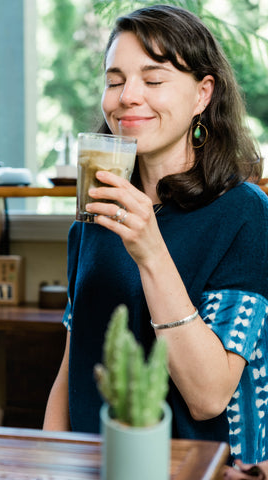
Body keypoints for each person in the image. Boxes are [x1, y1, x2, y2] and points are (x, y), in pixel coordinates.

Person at [43, 4, 268, 465]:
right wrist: (49, 459)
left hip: (200, 468)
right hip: (93, 465)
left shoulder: (246, 214)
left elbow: (208, 396)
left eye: (153, 79)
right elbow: (74, 365)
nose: (127, 96)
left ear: (203, 94)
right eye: (114, 80)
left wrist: (150, 250)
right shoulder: (95, 214)